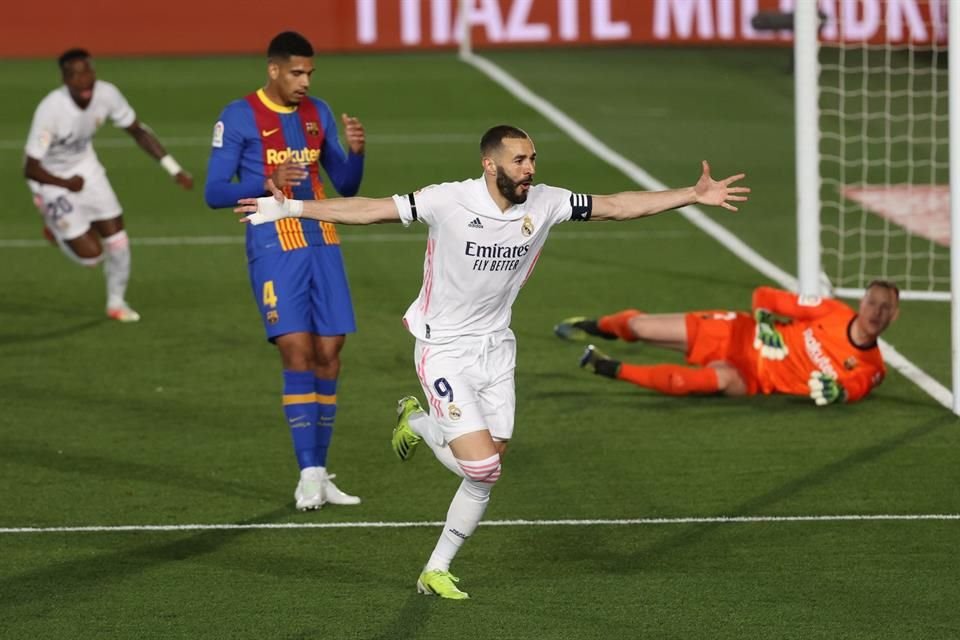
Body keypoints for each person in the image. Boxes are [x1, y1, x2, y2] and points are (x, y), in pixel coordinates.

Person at [235, 124, 749, 598]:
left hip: (496, 349)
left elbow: (617, 204)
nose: (530, 168)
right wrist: (293, 209)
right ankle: (422, 437)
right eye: (521, 160)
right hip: (444, 349)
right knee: (481, 465)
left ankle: (433, 560)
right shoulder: (448, 200)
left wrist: (691, 195)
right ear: (490, 164)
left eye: (533, 159)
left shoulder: (546, 202)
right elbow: (370, 209)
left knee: (486, 469)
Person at [204, 31, 366, 511]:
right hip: (273, 242)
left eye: (310, 73)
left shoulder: (318, 113)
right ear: (274, 69)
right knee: (297, 352)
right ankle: (307, 474)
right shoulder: (238, 116)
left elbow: (347, 182)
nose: (305, 81)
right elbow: (215, 190)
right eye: (297, 72)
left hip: (322, 236)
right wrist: (265, 181)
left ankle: (320, 469)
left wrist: (356, 152)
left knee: (330, 352)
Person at [23, 48, 193, 322]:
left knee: (118, 241)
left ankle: (116, 303)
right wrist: (66, 183)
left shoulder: (107, 94)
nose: (83, 79)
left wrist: (173, 169)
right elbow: (30, 168)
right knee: (92, 257)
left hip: (86, 170)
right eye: (74, 75)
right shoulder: (50, 110)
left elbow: (137, 130)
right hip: (50, 178)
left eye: (87, 71)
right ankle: (55, 229)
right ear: (64, 80)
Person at [554, 281, 899, 405]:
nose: (877, 312)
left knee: (690, 381)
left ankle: (606, 366)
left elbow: (856, 386)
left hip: (752, 378)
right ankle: (595, 326)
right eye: (873, 303)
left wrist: (838, 392)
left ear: (894, 316)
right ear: (862, 302)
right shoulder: (831, 311)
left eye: (886, 308)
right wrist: (765, 323)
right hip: (737, 332)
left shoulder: (873, 367)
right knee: (638, 325)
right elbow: (765, 295)